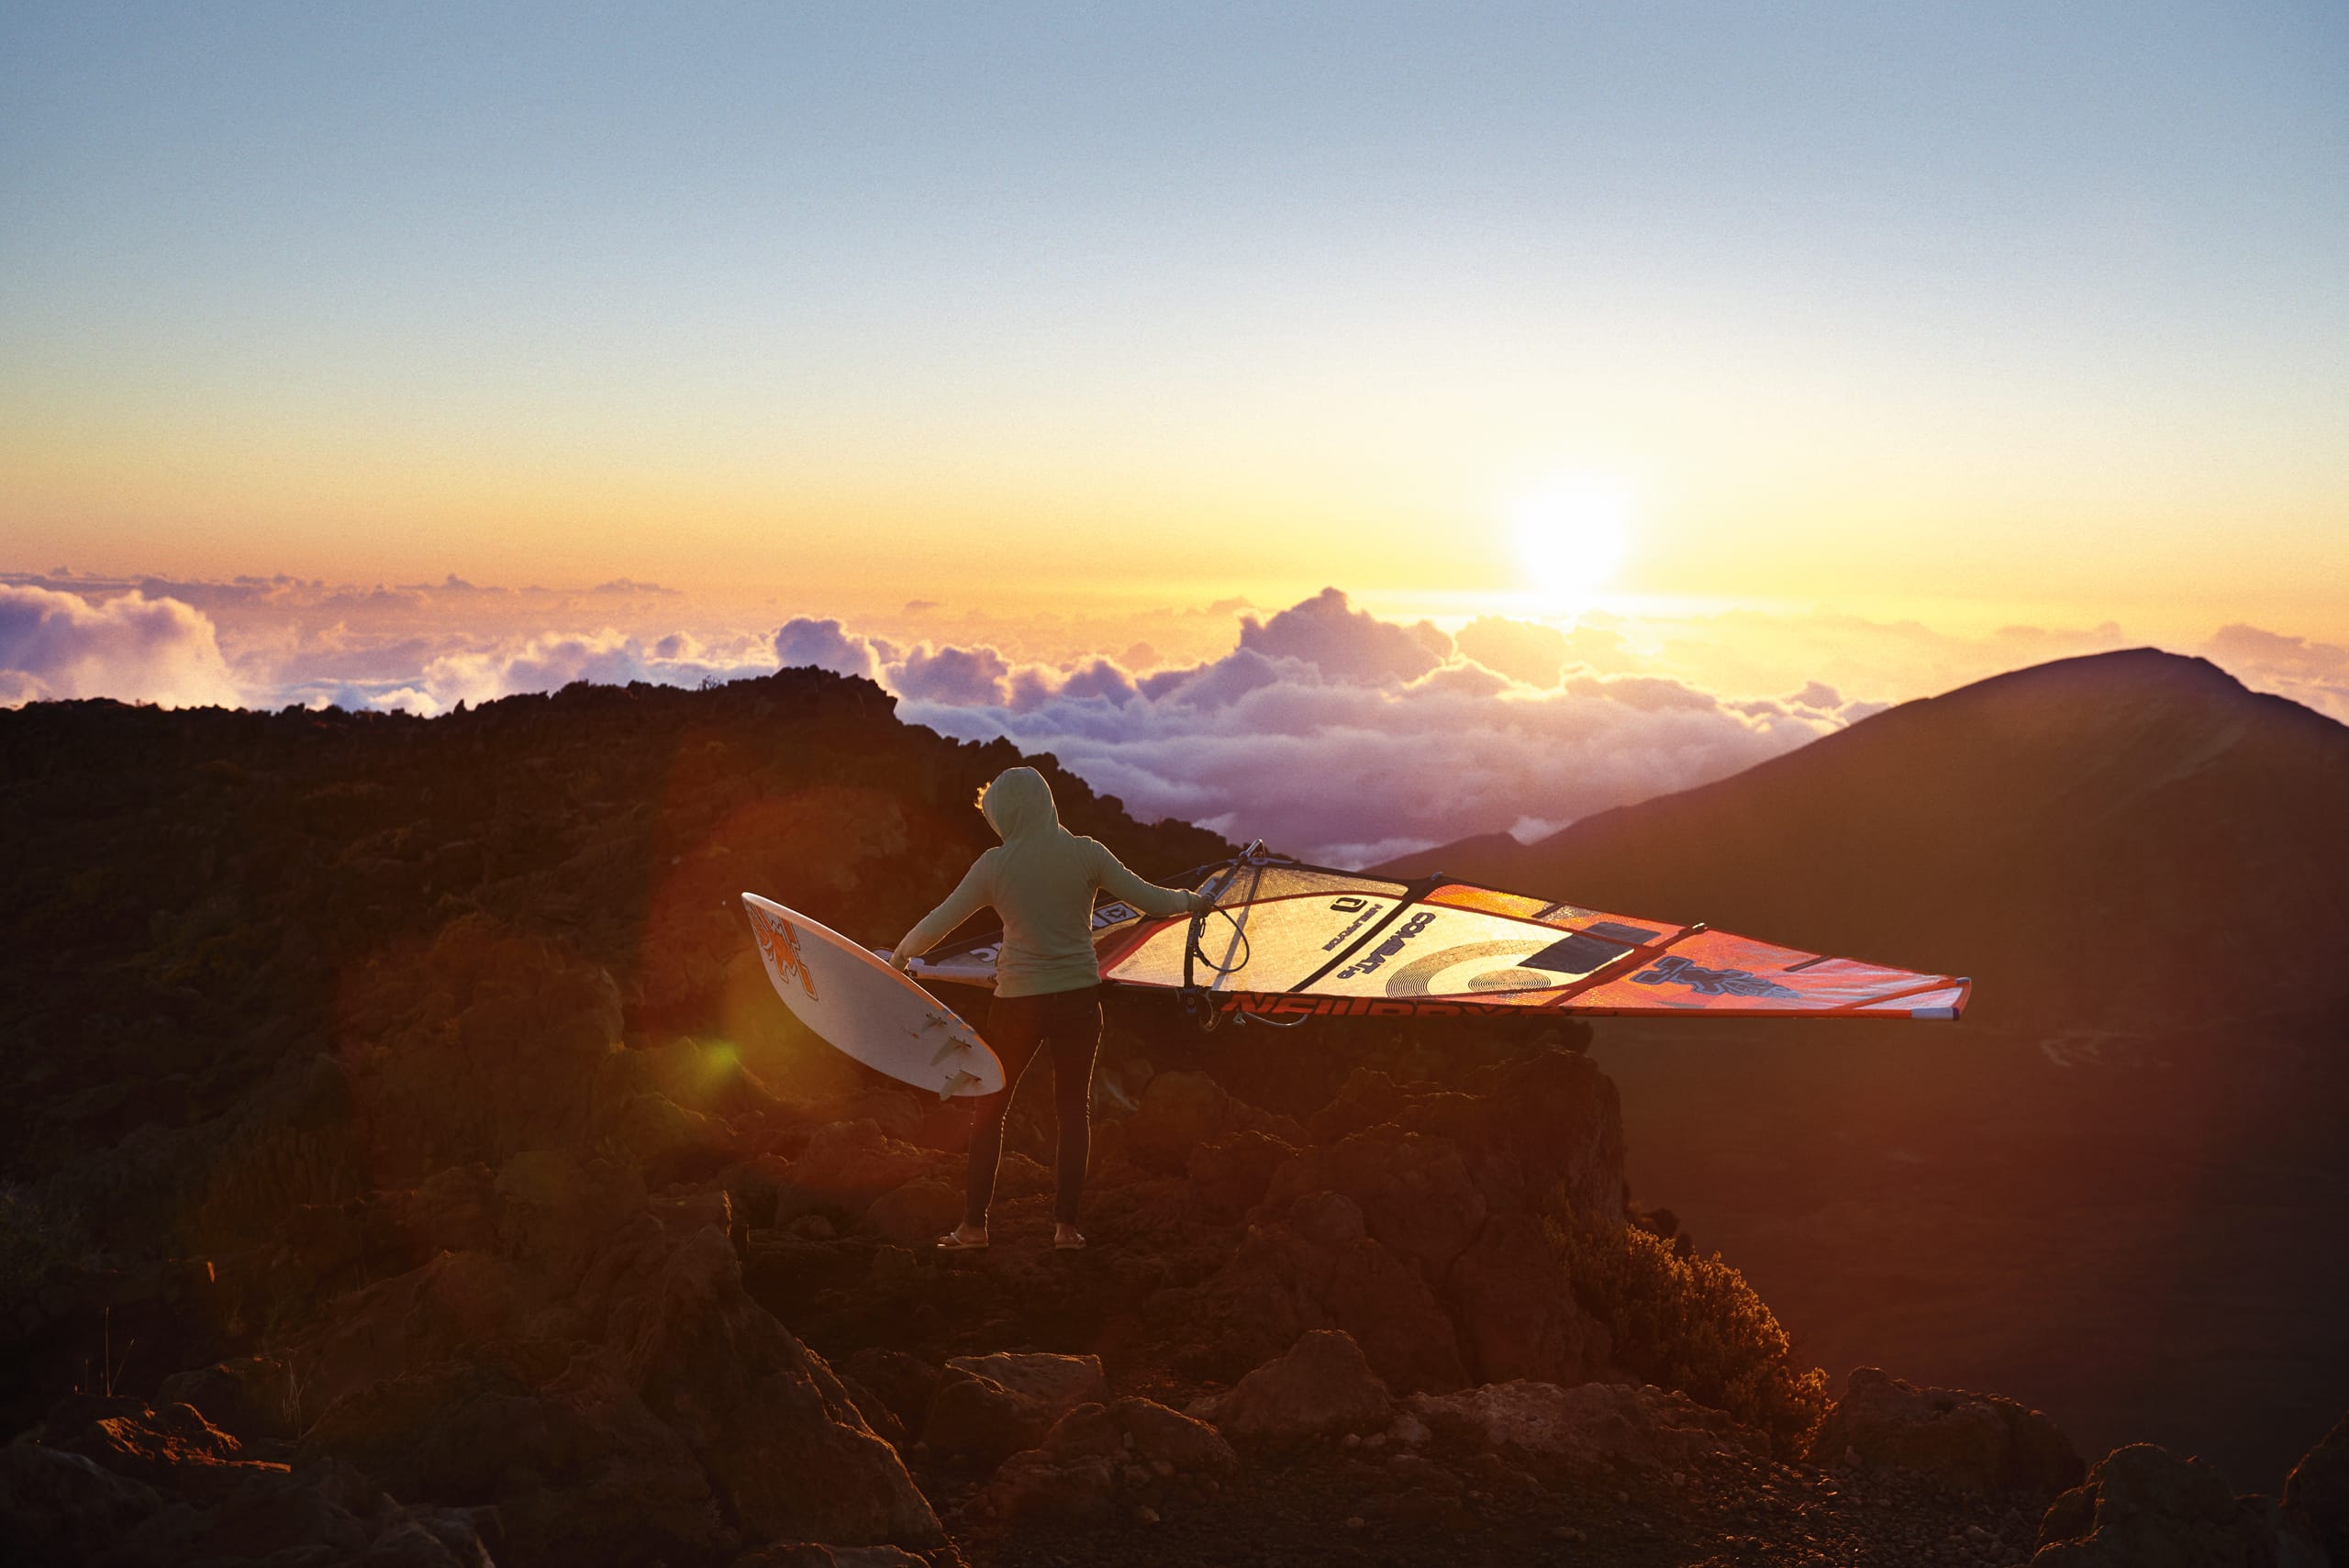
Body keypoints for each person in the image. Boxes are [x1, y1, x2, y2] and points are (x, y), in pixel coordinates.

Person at [891, 765, 1207, 1252]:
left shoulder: (994, 865)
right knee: (1071, 1113)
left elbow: (939, 922)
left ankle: (973, 1229)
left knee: (989, 1110)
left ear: (1005, 814)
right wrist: (1195, 899)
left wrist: (898, 956)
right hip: (1079, 1001)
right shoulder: (1086, 853)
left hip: (1017, 1004)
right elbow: (1154, 902)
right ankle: (1066, 1230)